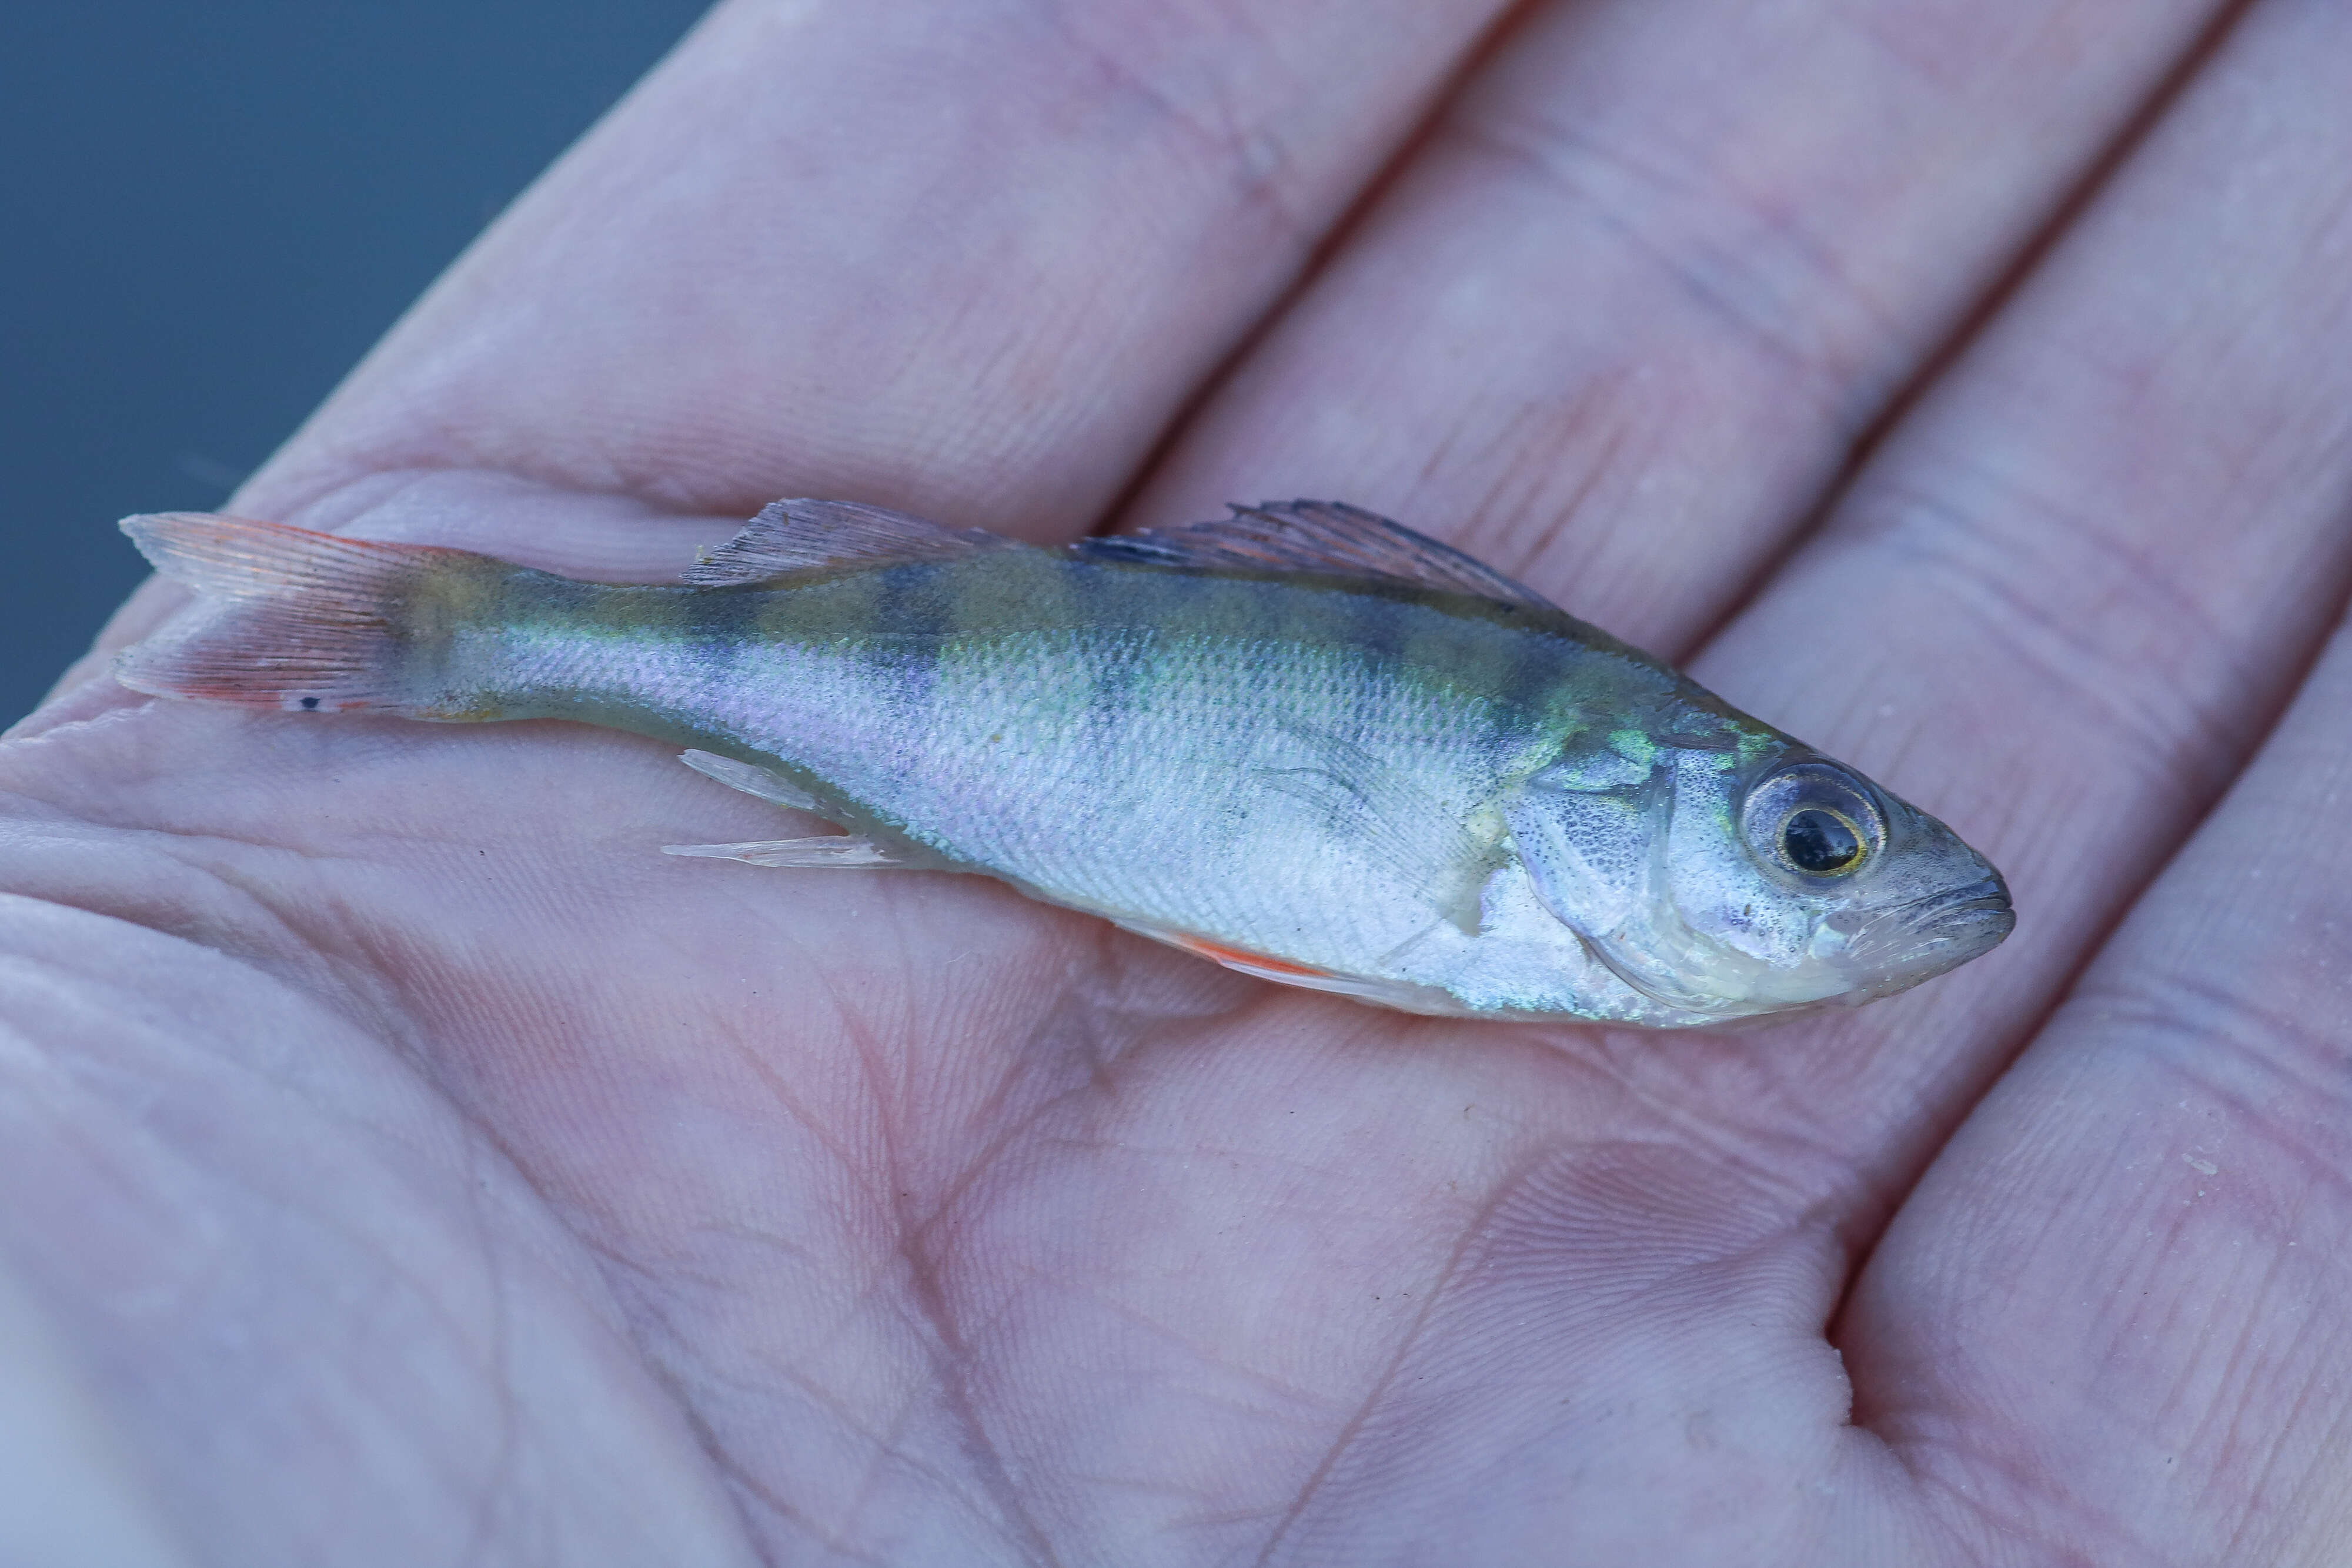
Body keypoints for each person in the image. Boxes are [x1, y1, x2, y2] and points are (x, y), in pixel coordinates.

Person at [8, 0, 2352, 1559]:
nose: (1855, 886)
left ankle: (451, 637)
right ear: (1617, 792)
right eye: (1808, 843)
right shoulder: (1514, 857)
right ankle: (459, 631)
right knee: (608, 650)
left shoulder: (1539, 865)